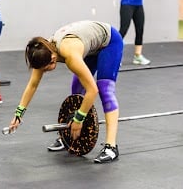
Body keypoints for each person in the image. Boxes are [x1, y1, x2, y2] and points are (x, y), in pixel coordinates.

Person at [7, 20, 123, 164]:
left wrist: (79, 119)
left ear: (53, 59)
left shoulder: (70, 55)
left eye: (45, 69)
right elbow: (33, 85)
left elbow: (92, 90)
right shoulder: (42, 51)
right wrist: (19, 113)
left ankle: (111, 147)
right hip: (89, 45)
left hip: (109, 42)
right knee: (76, 90)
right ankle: (68, 135)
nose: (43, 72)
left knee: (105, 90)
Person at [119, 0, 150, 65]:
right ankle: (114, 56)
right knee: (123, 30)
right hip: (127, 4)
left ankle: (137, 56)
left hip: (139, 5)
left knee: (140, 30)